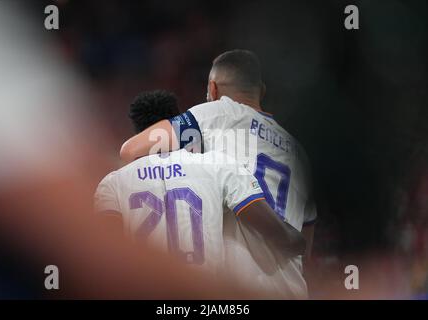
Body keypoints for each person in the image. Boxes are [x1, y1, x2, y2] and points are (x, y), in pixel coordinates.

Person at [119, 51, 317, 298]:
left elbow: (131, 151)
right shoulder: (301, 154)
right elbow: (304, 251)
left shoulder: (215, 114)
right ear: (261, 92)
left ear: (212, 89)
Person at [95, 90, 305, 283]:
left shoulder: (113, 182)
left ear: (137, 132)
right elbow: (279, 234)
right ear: (175, 122)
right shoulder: (217, 164)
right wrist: (298, 241)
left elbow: (105, 249)